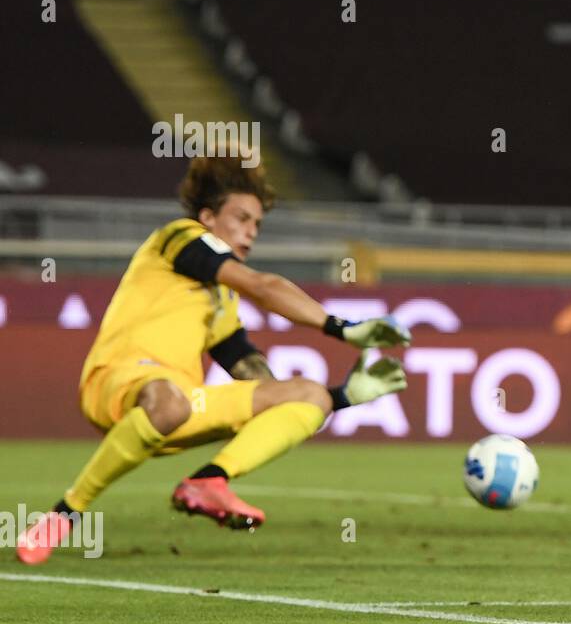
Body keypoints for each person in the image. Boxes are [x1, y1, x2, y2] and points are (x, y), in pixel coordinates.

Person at [16, 157, 410, 564]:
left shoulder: (223, 302)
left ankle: (207, 481)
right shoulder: (177, 239)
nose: (250, 232)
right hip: (116, 383)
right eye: (241, 218)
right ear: (207, 217)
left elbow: (262, 386)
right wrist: (341, 327)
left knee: (306, 395)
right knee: (171, 400)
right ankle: (66, 512)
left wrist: (340, 397)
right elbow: (262, 285)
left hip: (178, 408)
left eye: (257, 224)